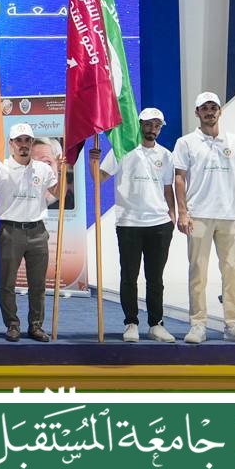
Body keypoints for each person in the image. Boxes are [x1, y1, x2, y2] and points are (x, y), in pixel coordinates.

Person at [172, 91, 235, 345]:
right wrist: (183, 212)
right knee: (198, 273)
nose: (209, 112)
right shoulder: (186, 142)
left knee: (232, 272)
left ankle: (232, 324)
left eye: (213, 107)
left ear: (220, 111)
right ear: (197, 113)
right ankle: (198, 324)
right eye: (204, 108)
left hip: (228, 216)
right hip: (199, 216)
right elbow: (179, 178)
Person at [90, 108, 177, 343]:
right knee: (129, 275)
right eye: (148, 124)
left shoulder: (166, 155)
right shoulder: (122, 150)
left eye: (157, 125)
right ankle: (131, 323)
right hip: (129, 223)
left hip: (159, 224)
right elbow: (99, 178)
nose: (152, 129)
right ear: (139, 125)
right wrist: (93, 161)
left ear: (161, 128)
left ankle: (156, 324)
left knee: (155, 278)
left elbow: (168, 189)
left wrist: (173, 214)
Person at [0, 122, 62, 342]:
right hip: (10, 231)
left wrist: (62, 171)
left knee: (38, 284)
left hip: (37, 231)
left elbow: (56, 192)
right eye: (19, 141)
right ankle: (12, 325)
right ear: (11, 144)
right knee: (7, 282)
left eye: (28, 141)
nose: (24, 145)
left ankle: (36, 326)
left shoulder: (43, 169)